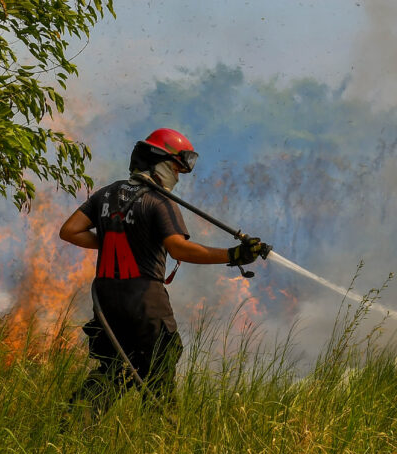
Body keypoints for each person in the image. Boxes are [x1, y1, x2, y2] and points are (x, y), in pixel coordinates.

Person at [59, 128, 267, 415]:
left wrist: (112, 241)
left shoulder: (105, 194)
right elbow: (179, 250)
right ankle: (158, 432)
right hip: (145, 302)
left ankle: (72, 423)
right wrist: (233, 255)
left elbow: (69, 231)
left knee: (114, 369)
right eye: (175, 169)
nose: (177, 177)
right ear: (158, 161)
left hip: (107, 301)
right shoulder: (159, 203)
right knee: (160, 372)